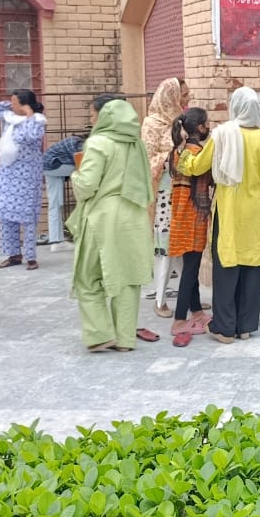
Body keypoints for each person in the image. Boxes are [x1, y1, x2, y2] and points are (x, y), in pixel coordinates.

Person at [178, 87, 260, 343]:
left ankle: (224, 328)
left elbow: (198, 165)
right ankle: (245, 326)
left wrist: (182, 159)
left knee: (227, 265)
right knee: (253, 266)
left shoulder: (222, 134)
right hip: (256, 211)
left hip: (229, 208)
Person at [67, 96, 155, 353]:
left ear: (105, 116)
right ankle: (125, 339)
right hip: (134, 216)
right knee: (127, 279)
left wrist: (75, 174)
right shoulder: (136, 144)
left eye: (93, 114)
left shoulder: (97, 143)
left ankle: (99, 333)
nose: (91, 119)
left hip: (104, 217)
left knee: (86, 276)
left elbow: (87, 186)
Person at [165, 107, 213, 346]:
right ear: (200, 128)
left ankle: (195, 310)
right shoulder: (197, 152)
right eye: (207, 123)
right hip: (194, 215)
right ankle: (179, 319)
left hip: (180, 214)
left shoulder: (178, 150)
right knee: (191, 268)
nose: (209, 127)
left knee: (189, 265)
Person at [141, 78, 187, 312]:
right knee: (165, 246)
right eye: (184, 95)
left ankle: (191, 297)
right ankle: (160, 300)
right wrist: (173, 152)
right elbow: (146, 162)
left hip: (182, 191)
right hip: (162, 195)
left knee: (182, 246)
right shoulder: (152, 123)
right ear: (171, 97)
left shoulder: (180, 122)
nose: (187, 100)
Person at [0, 89, 46, 270]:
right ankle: (13, 255)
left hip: (27, 175)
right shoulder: (9, 117)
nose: (11, 106)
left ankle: (31, 257)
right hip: (7, 174)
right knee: (6, 215)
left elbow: (28, 137)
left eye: (15, 103)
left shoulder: (37, 121)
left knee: (27, 216)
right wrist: (11, 104)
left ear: (25, 105)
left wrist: (29, 112)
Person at [42, 132, 83, 251]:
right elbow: (82, 166)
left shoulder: (74, 142)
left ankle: (56, 241)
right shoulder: (77, 144)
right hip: (52, 166)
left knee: (55, 204)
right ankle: (58, 241)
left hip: (48, 166)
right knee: (84, 170)